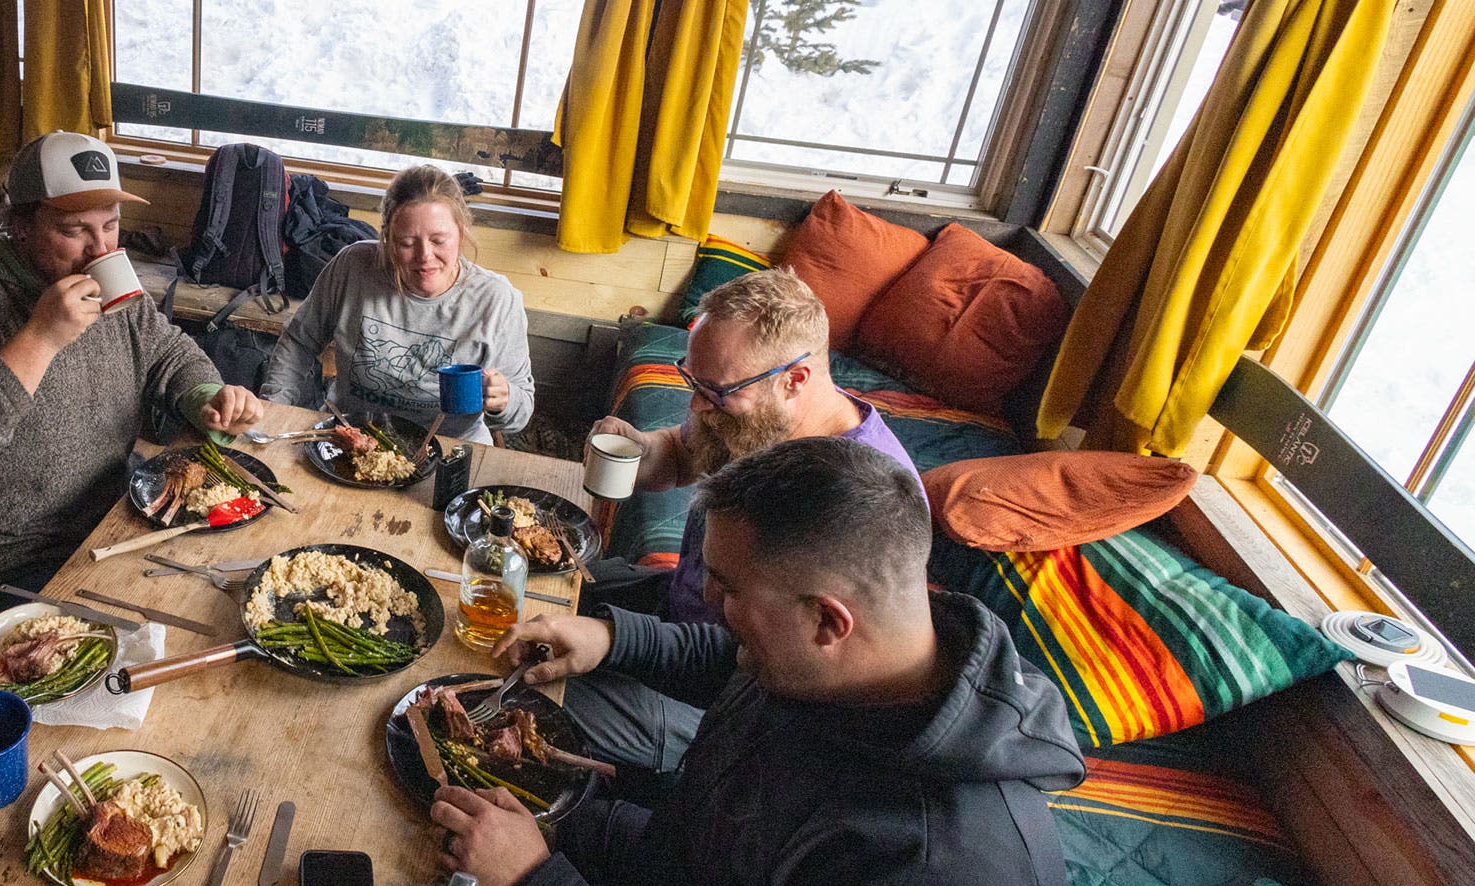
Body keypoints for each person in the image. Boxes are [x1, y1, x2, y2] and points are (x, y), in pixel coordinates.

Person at [434, 437, 1084, 886]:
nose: (709, 603)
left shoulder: (933, 861)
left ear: (829, 620)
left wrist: (534, 876)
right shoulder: (850, 661)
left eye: (729, 588)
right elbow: (731, 666)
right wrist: (613, 639)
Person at [568, 266, 925, 775]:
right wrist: (638, 450)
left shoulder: (851, 499)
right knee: (534, 586)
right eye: (691, 381)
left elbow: (758, 664)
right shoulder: (752, 414)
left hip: (740, 698)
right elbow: (681, 453)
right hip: (681, 613)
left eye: (713, 392)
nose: (697, 405)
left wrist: (615, 639)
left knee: (537, 689)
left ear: (794, 380)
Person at [0, 131, 265, 585]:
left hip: (105, 512)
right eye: (74, 230)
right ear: (21, 224)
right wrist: (41, 337)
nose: (101, 249)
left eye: (110, 224)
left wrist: (205, 395)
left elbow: (166, 349)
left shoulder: (104, 272)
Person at [262, 165, 534, 441]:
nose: (424, 256)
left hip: (451, 447)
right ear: (387, 238)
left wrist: (504, 400)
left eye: (439, 241)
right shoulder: (353, 266)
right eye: (406, 243)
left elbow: (521, 414)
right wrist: (274, 409)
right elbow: (299, 341)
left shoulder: (497, 299)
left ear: (461, 234)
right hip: (351, 434)